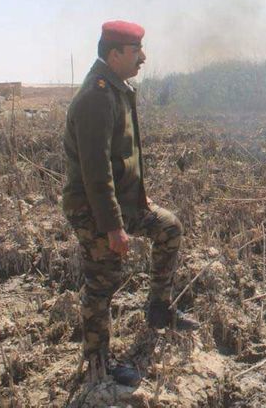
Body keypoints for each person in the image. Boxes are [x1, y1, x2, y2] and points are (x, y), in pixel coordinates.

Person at [63, 20, 198, 386]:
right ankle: (98, 363)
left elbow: (124, 157)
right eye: (135, 50)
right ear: (114, 53)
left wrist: (138, 197)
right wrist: (113, 227)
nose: (143, 57)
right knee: (103, 281)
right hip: (94, 208)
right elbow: (96, 173)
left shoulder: (117, 89)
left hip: (122, 202)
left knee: (168, 227)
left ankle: (158, 310)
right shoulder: (96, 97)